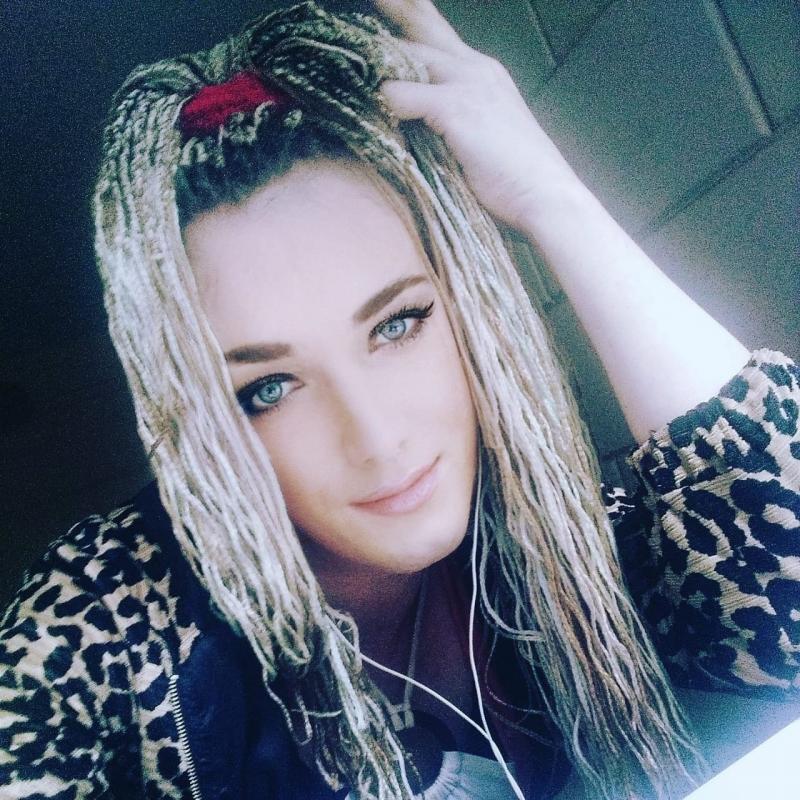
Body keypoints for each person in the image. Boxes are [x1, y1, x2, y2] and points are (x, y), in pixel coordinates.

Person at [1, 1, 798, 798]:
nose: (377, 439)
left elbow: (784, 601)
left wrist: (553, 199)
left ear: (471, 299)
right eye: (267, 388)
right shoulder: (113, 622)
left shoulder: (553, 536)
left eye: (397, 324)